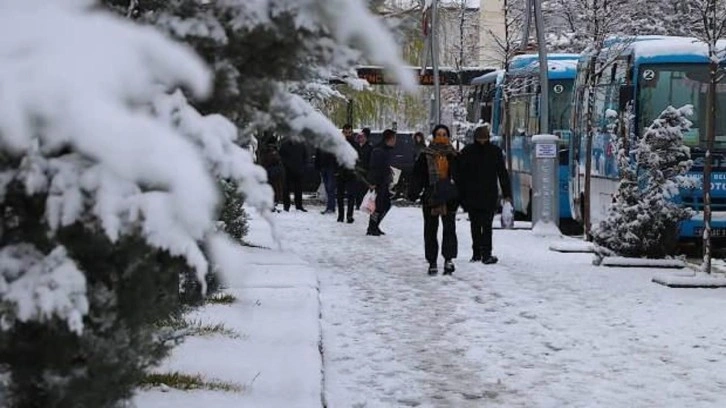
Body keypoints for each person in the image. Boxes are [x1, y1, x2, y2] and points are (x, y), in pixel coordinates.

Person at [408, 124, 459, 276]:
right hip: (431, 196)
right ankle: (432, 261)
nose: (442, 137)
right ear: (434, 136)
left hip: (449, 196)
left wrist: (460, 193)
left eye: (444, 134)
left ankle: (448, 259)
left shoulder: (454, 155)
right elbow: (418, 176)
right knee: (431, 230)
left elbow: (461, 176)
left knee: (449, 229)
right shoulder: (426, 154)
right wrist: (414, 193)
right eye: (439, 134)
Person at [458, 125, 512, 264]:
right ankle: (486, 254)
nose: (482, 141)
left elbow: (460, 175)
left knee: (476, 225)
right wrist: (507, 194)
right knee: (486, 225)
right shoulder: (495, 152)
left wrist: (461, 195)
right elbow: (502, 174)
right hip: (488, 194)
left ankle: (477, 253)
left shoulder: (467, 151)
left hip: (472, 195)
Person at [366, 129, 396, 236]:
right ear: (389, 139)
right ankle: (372, 227)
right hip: (378, 182)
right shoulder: (379, 150)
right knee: (377, 206)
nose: (395, 141)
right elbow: (375, 167)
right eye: (394, 139)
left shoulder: (386, 150)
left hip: (384, 181)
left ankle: (375, 225)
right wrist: (373, 182)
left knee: (385, 205)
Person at [336, 124, 360, 223]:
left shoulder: (355, 144)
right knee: (340, 196)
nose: (347, 135)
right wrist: (336, 171)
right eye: (345, 132)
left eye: (349, 132)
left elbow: (358, 158)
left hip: (351, 173)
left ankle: (349, 215)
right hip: (340, 173)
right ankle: (341, 216)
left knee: (351, 196)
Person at [279, 137, 308, 212]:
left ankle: (299, 206)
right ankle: (286, 206)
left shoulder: (301, 145)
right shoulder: (284, 145)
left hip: (298, 170)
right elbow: (281, 157)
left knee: (298, 189)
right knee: (286, 189)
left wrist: (303, 167)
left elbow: (305, 157)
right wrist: (285, 165)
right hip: (287, 170)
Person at [258, 138, 285, 212]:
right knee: (273, 190)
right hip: (272, 174)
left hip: (269, 174)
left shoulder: (265, 151)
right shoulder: (273, 153)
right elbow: (275, 161)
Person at [315, 144, 338, 215]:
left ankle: (331, 207)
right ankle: (329, 207)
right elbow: (318, 155)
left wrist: (336, 169)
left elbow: (336, 156)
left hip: (330, 168)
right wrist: (317, 166)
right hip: (323, 167)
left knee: (330, 188)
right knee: (327, 189)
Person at [355, 127, 373, 209]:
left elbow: (370, 160)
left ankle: (363, 204)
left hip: (365, 171)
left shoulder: (369, 147)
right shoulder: (357, 146)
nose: (360, 138)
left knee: (364, 189)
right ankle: (358, 204)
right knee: (357, 189)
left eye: (362, 137)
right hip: (357, 171)